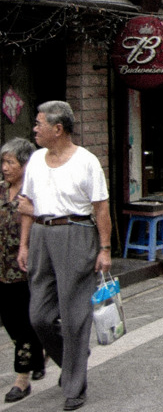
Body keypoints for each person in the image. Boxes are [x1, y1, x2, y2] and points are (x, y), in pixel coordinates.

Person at [17, 101, 112, 412]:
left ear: (57, 129)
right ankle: (74, 359)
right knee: (39, 316)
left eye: (39, 123)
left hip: (75, 233)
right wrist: (24, 245)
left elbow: (101, 208)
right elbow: (26, 204)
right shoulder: (34, 160)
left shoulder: (86, 162)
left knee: (73, 318)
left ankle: (74, 386)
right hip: (42, 236)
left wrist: (105, 248)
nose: (34, 129)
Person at [0, 138, 46, 403]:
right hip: (1, 269)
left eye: (10, 162)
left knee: (25, 321)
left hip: (26, 268)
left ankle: (22, 378)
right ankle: (38, 355)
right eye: (3, 162)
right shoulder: (0, 190)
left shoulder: (34, 193)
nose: (5, 167)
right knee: (10, 321)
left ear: (25, 164)